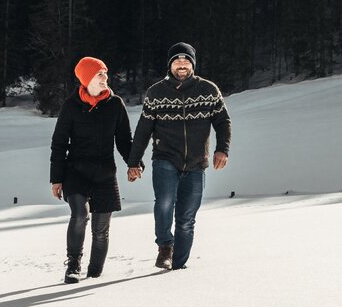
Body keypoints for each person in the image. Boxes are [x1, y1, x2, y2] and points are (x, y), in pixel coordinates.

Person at [127, 42, 231, 270]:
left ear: (192, 64)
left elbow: (222, 121)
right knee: (164, 203)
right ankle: (165, 247)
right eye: (177, 61)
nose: (181, 65)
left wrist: (222, 149)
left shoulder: (208, 90)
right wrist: (134, 161)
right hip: (165, 158)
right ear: (170, 65)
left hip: (196, 163)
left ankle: (178, 265)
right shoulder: (156, 93)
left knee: (186, 219)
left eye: (186, 61)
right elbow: (143, 129)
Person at [50, 56, 136, 283]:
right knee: (80, 214)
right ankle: (73, 265)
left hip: (105, 173)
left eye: (106, 74)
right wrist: (56, 179)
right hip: (75, 172)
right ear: (87, 78)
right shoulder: (71, 106)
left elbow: (125, 140)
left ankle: (95, 272)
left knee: (101, 229)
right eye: (100, 74)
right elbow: (59, 143)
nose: (105, 78)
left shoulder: (115, 105)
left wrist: (134, 163)